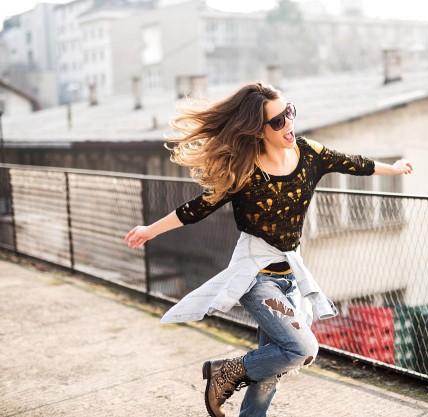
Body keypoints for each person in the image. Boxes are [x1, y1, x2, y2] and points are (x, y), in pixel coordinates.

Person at [124, 82, 413, 417]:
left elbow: (351, 163)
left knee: (270, 370)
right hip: (256, 277)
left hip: (290, 275)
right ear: (258, 130)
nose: (288, 124)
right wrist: (150, 230)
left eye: (289, 112)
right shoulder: (244, 171)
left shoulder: (309, 154)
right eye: (278, 121)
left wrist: (393, 169)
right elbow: (197, 208)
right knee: (302, 349)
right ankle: (226, 371)